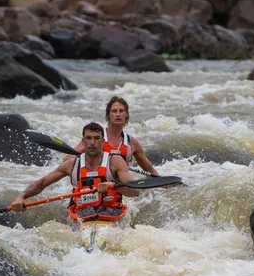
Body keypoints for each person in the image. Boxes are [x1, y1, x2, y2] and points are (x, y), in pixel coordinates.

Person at [10, 122, 139, 225]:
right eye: (88, 138)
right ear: (83, 142)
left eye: (96, 138)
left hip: (111, 214)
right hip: (82, 216)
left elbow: (134, 192)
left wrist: (113, 184)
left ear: (103, 142)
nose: (92, 142)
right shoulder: (72, 164)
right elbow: (42, 183)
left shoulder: (115, 161)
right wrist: (21, 196)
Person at [72, 96, 159, 176]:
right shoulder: (96, 138)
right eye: (114, 111)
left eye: (121, 111)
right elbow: (69, 158)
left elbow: (150, 170)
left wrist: (165, 183)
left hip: (122, 187)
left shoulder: (132, 143)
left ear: (126, 115)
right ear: (108, 115)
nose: (118, 114)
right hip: (98, 184)